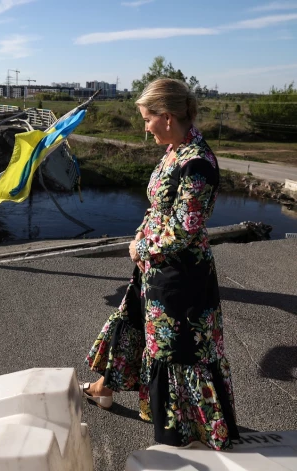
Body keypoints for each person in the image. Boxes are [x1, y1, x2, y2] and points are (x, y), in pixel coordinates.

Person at [83, 78, 240, 450]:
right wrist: (140, 239)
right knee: (137, 325)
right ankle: (106, 389)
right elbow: (158, 209)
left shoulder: (197, 163)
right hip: (155, 266)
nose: (144, 126)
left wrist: (144, 249)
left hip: (181, 275)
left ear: (167, 117)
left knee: (177, 351)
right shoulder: (174, 150)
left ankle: (186, 439)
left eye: (147, 119)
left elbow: (185, 229)